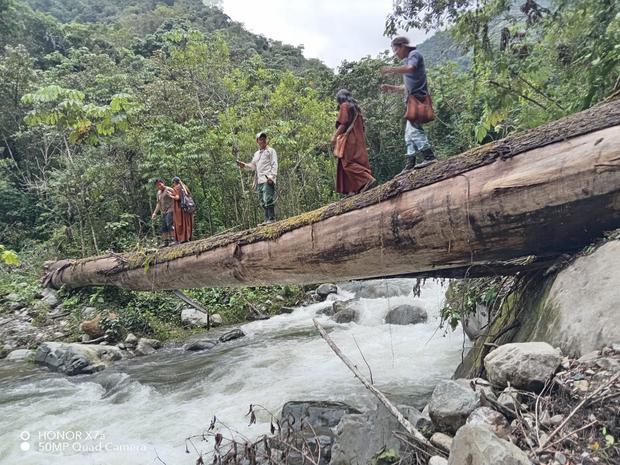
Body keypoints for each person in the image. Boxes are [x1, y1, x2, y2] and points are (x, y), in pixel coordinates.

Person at [379, 36, 437, 174]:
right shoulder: (408, 60)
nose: (395, 53)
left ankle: (429, 156)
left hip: (417, 99)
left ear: (402, 46)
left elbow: (410, 68)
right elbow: (405, 87)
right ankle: (410, 163)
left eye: (395, 50)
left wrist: (391, 69)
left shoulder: (414, 55)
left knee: (415, 130)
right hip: (412, 100)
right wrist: (391, 88)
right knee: (409, 134)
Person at [330, 89, 375, 196]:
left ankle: (367, 179)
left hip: (350, 140)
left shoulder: (344, 106)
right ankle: (353, 190)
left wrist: (334, 137)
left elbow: (343, 124)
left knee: (348, 164)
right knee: (349, 164)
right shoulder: (356, 109)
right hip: (359, 141)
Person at [236, 132, 278, 224]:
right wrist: (244, 165)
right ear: (257, 141)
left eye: (264, 139)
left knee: (268, 198)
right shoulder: (256, 154)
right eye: (260, 139)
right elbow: (253, 166)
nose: (263, 141)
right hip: (259, 180)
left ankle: (272, 218)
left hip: (268, 178)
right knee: (262, 201)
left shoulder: (271, 151)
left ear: (266, 140)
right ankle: (266, 219)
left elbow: (274, 164)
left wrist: (272, 176)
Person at [150, 178, 175, 246]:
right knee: (164, 227)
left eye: (160, 184)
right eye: (157, 185)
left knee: (169, 224)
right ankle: (166, 241)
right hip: (163, 212)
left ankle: (174, 239)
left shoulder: (169, 189)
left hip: (170, 209)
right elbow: (158, 204)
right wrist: (155, 213)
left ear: (163, 183)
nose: (159, 186)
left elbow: (176, 197)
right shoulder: (158, 193)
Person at [168, 176, 193, 243]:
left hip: (180, 208)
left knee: (180, 223)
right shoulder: (185, 187)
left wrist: (171, 195)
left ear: (174, 182)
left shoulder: (176, 188)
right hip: (187, 208)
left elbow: (178, 198)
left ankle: (182, 238)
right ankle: (188, 237)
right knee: (187, 222)